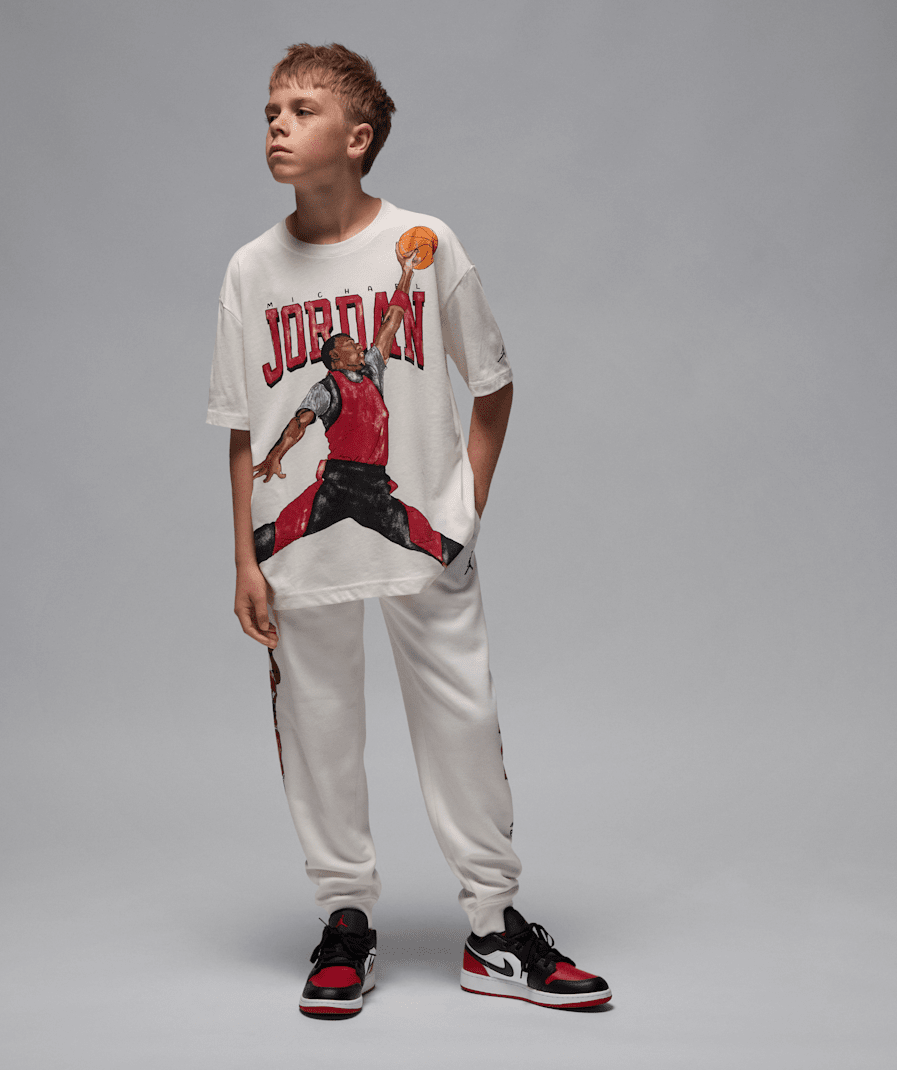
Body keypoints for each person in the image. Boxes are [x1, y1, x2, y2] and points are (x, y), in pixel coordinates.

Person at [207, 42, 611, 1019]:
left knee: (461, 720)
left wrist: (463, 507)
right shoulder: (251, 271)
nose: (276, 124)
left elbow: (491, 382)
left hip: (395, 508)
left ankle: (495, 928)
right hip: (311, 529)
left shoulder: (423, 244)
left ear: (357, 138)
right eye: (270, 110)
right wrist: (244, 557)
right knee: (317, 729)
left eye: (300, 110)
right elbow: (244, 427)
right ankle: (344, 919)